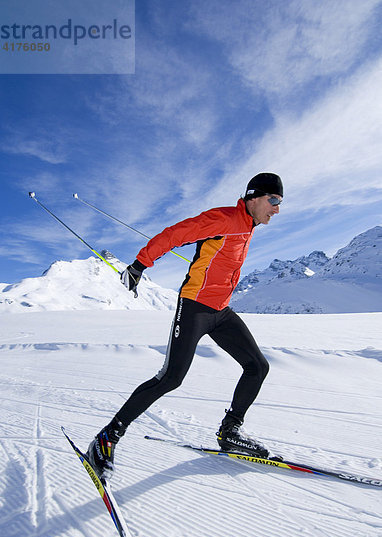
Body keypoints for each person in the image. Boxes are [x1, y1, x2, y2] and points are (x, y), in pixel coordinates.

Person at [87, 172, 284, 480]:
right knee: (170, 378)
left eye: (280, 203)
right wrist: (140, 264)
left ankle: (230, 432)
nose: (276, 209)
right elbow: (175, 233)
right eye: (273, 201)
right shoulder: (224, 218)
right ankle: (106, 439)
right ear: (254, 197)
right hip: (194, 308)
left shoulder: (247, 227)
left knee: (257, 367)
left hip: (221, 312)